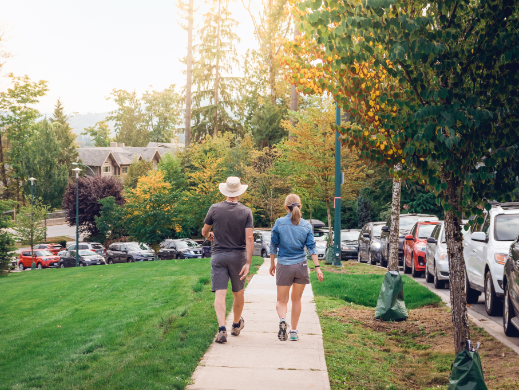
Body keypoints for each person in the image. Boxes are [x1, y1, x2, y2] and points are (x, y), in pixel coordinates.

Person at [201, 176, 254, 343]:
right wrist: (248, 262)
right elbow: (250, 238)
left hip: (218, 256)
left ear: (225, 191)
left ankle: (221, 329)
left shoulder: (214, 209)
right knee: (238, 293)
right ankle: (236, 325)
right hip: (238, 257)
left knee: (220, 293)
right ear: (239, 192)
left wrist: (209, 235)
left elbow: (204, 231)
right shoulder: (246, 212)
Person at [270, 194, 324, 341]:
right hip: (301, 266)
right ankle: (293, 332)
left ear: (286, 207)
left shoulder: (279, 223)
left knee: (282, 300)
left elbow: (273, 244)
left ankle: (282, 319)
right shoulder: (306, 225)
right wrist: (317, 267)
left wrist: (272, 263)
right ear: (300, 206)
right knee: (296, 299)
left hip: (284, 265)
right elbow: (311, 247)